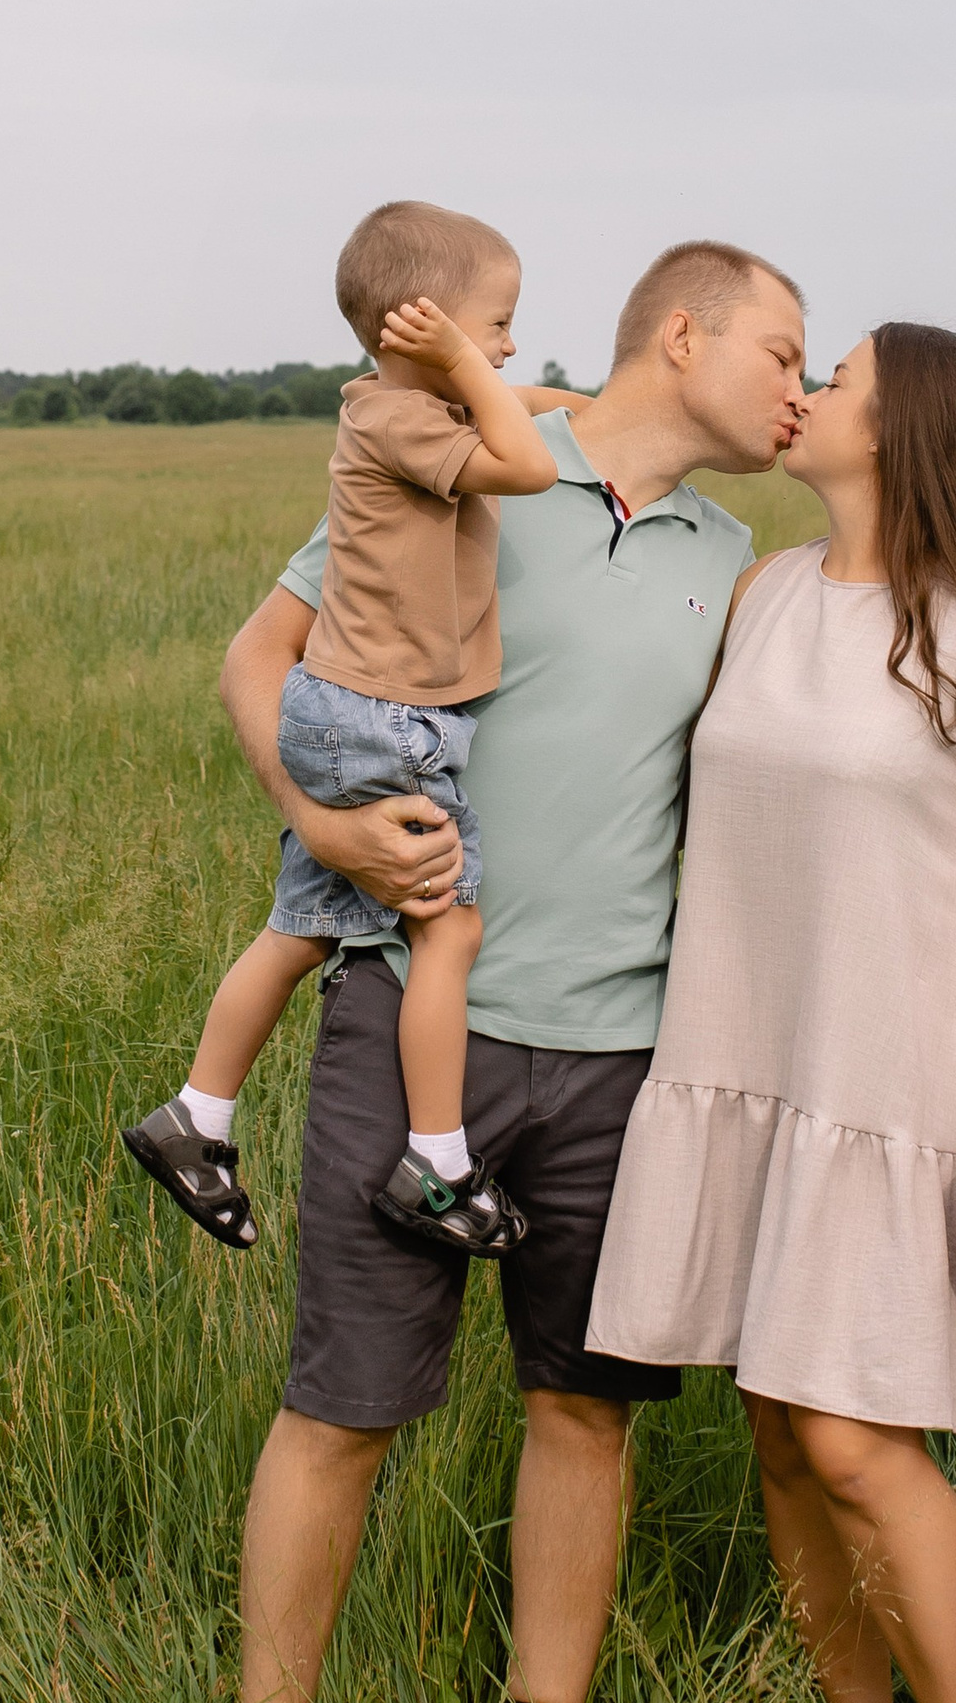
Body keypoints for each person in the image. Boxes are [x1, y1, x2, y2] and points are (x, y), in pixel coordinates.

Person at [221, 239, 809, 1703]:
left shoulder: (732, 561)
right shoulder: (475, 459)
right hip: (417, 1020)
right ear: (684, 336)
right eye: (783, 354)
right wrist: (324, 826)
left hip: (621, 1055)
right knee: (343, 1409)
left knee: (587, 1414)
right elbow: (260, 654)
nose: (799, 386)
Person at [586, 321, 956, 1703]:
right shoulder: (766, 594)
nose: (804, 396)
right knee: (777, 1427)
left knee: (855, 1437)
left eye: (840, 378)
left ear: (903, 429)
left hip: (898, 1067)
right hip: (750, 1047)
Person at [123, 201, 563, 1254]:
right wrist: (470, 365)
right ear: (420, 328)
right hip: (388, 721)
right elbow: (529, 462)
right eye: (492, 322)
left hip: (344, 710)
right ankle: (438, 1162)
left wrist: (579, 402)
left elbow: (522, 410)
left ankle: (199, 1115)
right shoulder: (403, 422)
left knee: (300, 928)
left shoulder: (402, 408)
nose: (504, 346)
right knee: (448, 927)